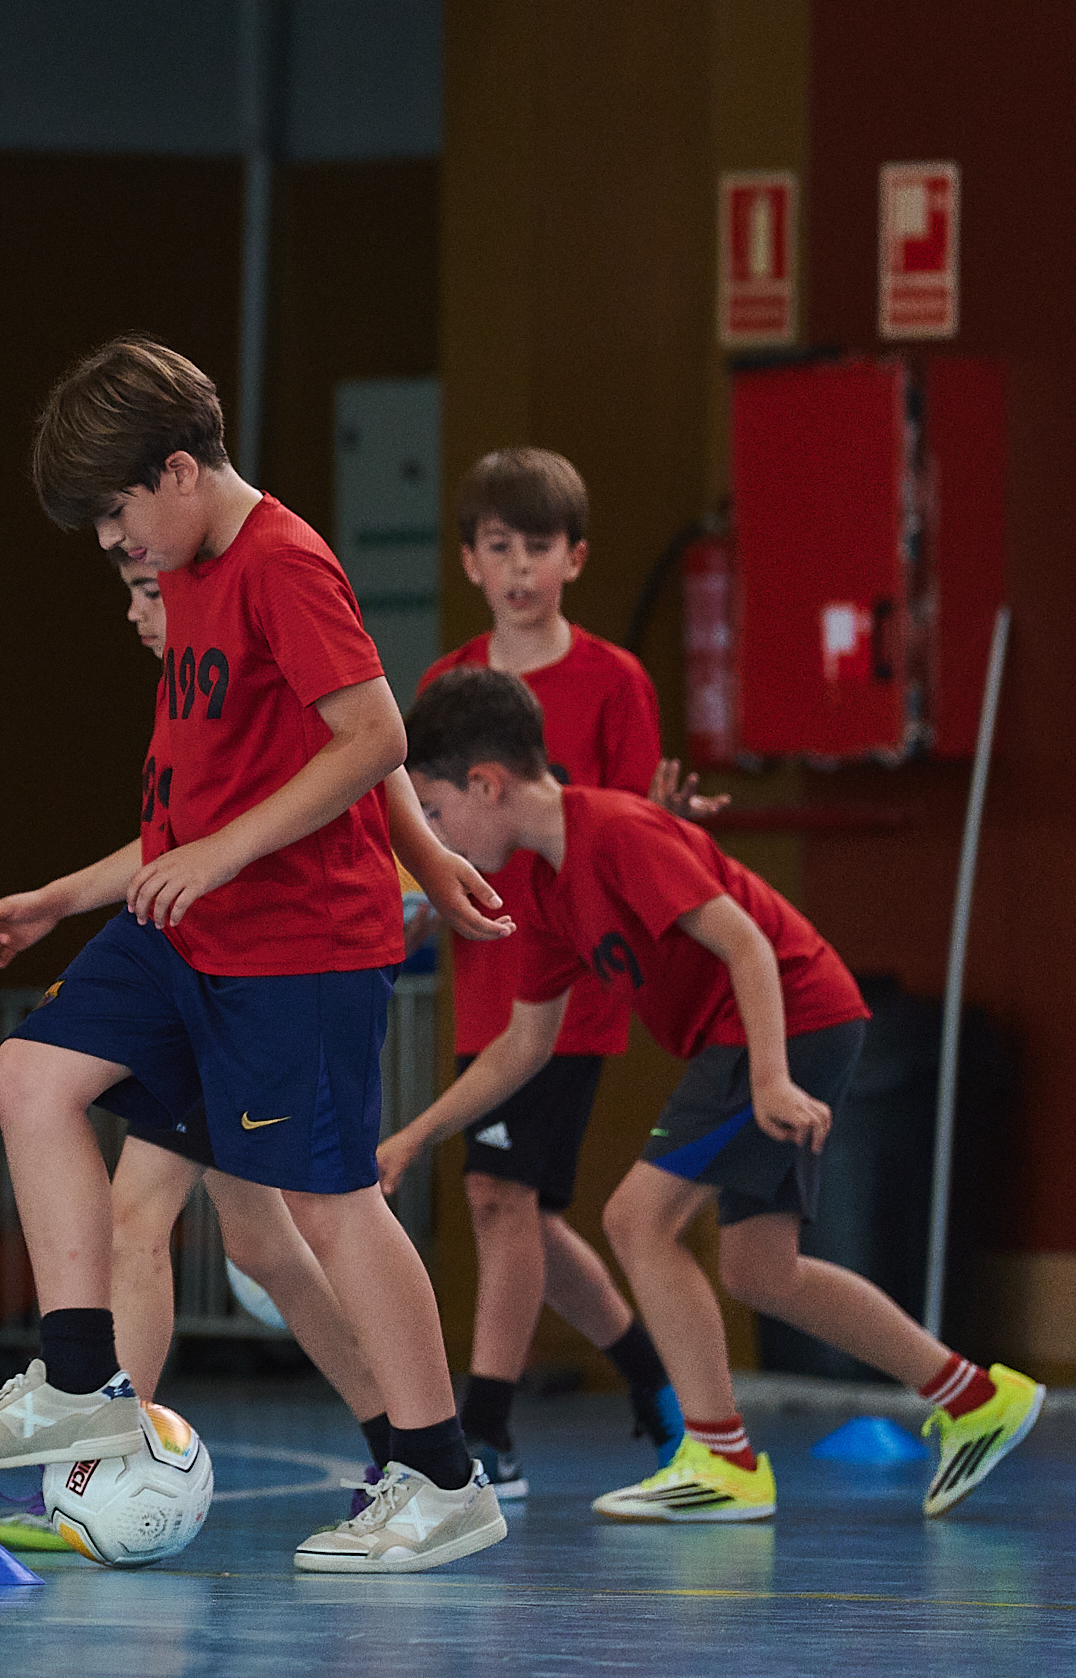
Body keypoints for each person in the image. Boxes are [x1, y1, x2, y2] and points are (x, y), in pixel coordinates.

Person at [0, 334, 511, 1575]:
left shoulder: (283, 560)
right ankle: (80, 1377)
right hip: (187, 930)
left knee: (326, 1207)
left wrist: (337, 853)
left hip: (296, 940)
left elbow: (374, 733)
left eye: (117, 514)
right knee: (32, 1074)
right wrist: (67, 895)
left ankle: (445, 1477)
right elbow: (233, 776)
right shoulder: (182, 568)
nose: (112, 543)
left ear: (179, 470)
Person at [384, 667, 1046, 1522]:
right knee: (761, 1271)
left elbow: (747, 946)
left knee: (637, 1218)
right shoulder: (541, 889)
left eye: (433, 812)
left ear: (487, 783)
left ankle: (724, 1461)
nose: (432, 837)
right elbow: (524, 1045)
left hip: (786, 1019)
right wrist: (416, 1137)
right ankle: (977, 1399)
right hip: (777, 1030)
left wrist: (769, 1077)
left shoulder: (616, 831)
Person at [0, 545, 395, 1553]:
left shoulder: (261, 650)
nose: (136, 613)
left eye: (146, 592)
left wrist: (423, 863)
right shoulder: (188, 696)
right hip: (198, 966)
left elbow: (376, 760)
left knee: (160, 1216)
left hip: (253, 971)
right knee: (256, 1241)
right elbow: (170, 844)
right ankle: (401, 1446)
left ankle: (100, 1463)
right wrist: (61, 897)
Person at [417, 449, 704, 1490]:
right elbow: (422, 830)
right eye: (500, 547)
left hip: (567, 989)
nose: (520, 567)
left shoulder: (616, 682)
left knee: (498, 1195)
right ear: (470, 561)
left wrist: (668, 826)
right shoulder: (444, 687)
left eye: (539, 547)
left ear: (575, 558)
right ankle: (651, 1379)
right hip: (483, 983)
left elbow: (625, 832)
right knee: (524, 1212)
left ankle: (485, 1434)